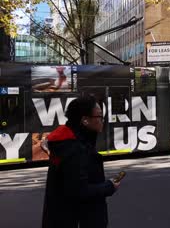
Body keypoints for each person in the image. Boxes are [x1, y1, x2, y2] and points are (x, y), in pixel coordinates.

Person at [42, 96, 119, 228]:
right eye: (99, 116)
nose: (102, 120)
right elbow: (80, 191)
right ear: (85, 120)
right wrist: (109, 186)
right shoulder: (75, 149)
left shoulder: (67, 143)